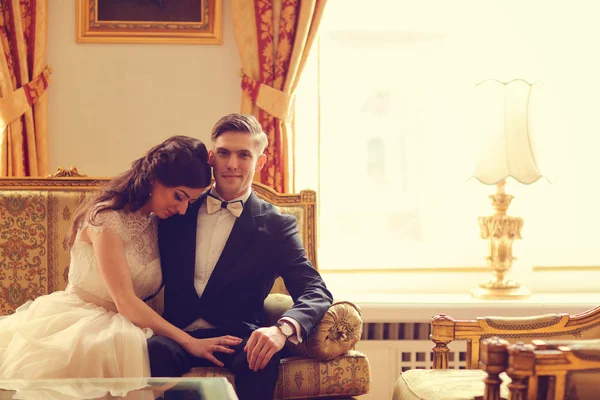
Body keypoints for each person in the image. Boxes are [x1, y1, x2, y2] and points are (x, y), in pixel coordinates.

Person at [0, 136, 242, 381]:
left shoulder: (158, 223)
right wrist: (189, 342)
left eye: (189, 202)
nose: (182, 209)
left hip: (128, 325)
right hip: (80, 323)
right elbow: (125, 301)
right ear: (154, 178)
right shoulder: (106, 219)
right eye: (178, 196)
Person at [150, 114, 334, 400]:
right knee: (155, 349)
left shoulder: (276, 225)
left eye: (243, 155)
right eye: (224, 153)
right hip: (177, 336)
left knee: (261, 355)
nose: (232, 164)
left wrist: (281, 331)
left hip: (239, 339)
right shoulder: (178, 207)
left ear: (259, 162)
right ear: (211, 158)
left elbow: (314, 289)